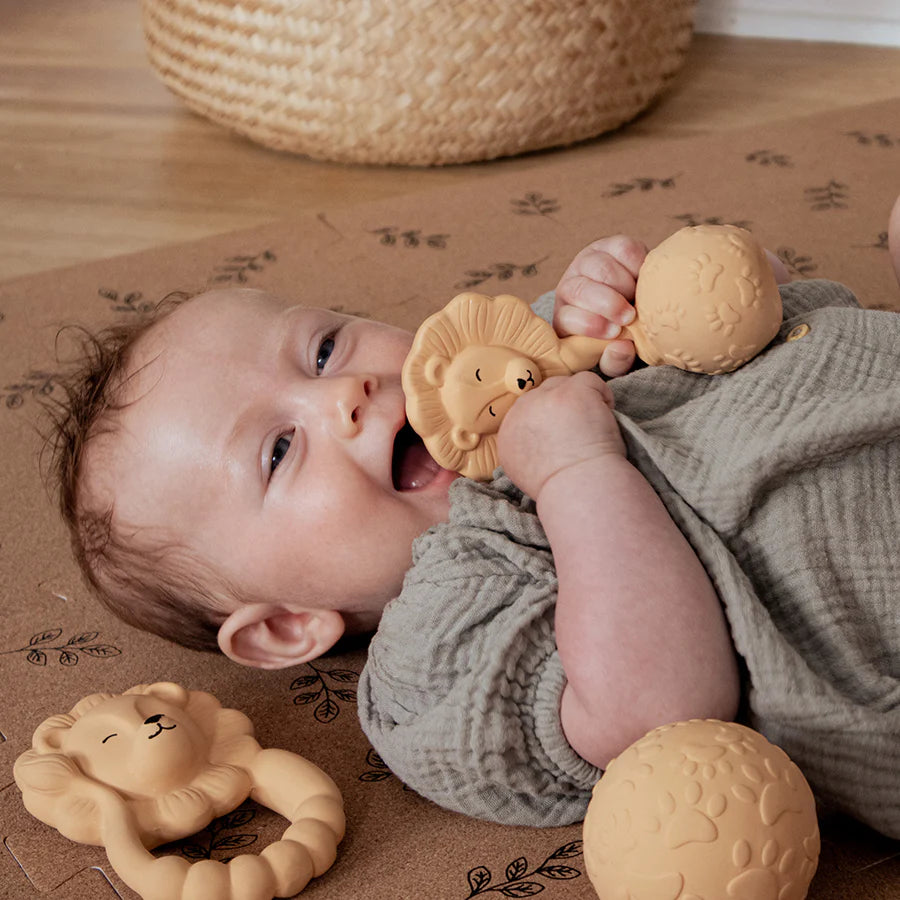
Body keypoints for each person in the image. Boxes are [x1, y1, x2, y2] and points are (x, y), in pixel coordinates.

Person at [49, 195, 900, 837]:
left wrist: (638, 298)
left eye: (322, 349)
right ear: (285, 628)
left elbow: (751, 322)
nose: (344, 396)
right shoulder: (437, 652)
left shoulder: (509, 363)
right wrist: (576, 472)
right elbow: (658, 710)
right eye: (277, 451)